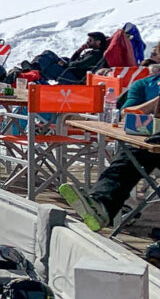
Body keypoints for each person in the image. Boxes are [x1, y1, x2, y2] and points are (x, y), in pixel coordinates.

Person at [62, 66, 160, 231]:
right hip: (150, 142)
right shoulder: (144, 85)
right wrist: (156, 101)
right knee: (128, 158)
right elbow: (125, 114)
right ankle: (101, 207)